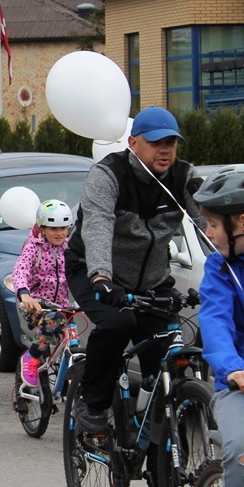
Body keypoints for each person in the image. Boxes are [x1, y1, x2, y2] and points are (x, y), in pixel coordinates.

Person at [66, 106, 205, 433]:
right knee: (118, 322)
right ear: (132, 142)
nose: (165, 150)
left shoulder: (183, 176)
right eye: (156, 142)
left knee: (166, 358)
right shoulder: (109, 175)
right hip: (94, 271)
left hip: (152, 281)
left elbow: (209, 223)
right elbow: (98, 225)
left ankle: (156, 440)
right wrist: (101, 275)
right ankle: (92, 401)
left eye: (171, 142)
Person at [194, 166, 244, 485]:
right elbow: (214, 319)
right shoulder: (220, 269)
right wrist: (232, 368)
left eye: (213, 224)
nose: (208, 233)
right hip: (239, 382)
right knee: (242, 448)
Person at [12, 199, 73, 388]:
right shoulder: (34, 248)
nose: (59, 233)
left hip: (61, 305)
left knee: (75, 333)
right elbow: (19, 271)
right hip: (35, 305)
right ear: (42, 228)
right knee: (52, 319)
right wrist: (25, 295)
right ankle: (31, 356)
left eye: (63, 228)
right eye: (53, 229)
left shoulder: (70, 249)